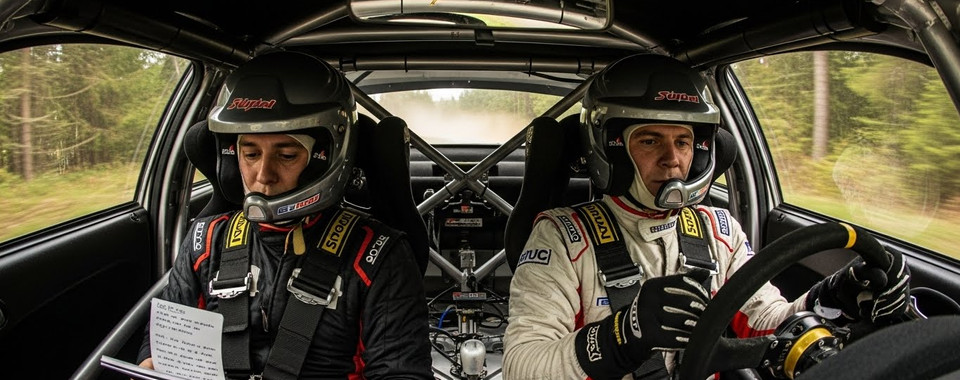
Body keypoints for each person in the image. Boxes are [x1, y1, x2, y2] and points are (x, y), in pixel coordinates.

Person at [502, 54, 911, 380]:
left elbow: (765, 322)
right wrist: (623, 335)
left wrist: (832, 298)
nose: (674, 160)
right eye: (649, 140)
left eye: (683, 141)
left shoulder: (719, 229)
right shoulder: (561, 236)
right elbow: (521, 366)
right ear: (608, 150)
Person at [137, 51, 432, 379]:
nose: (263, 175)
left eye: (287, 155)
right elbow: (164, 350)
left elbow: (401, 372)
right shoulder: (204, 241)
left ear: (327, 156)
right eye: (250, 154)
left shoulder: (378, 256)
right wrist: (153, 363)